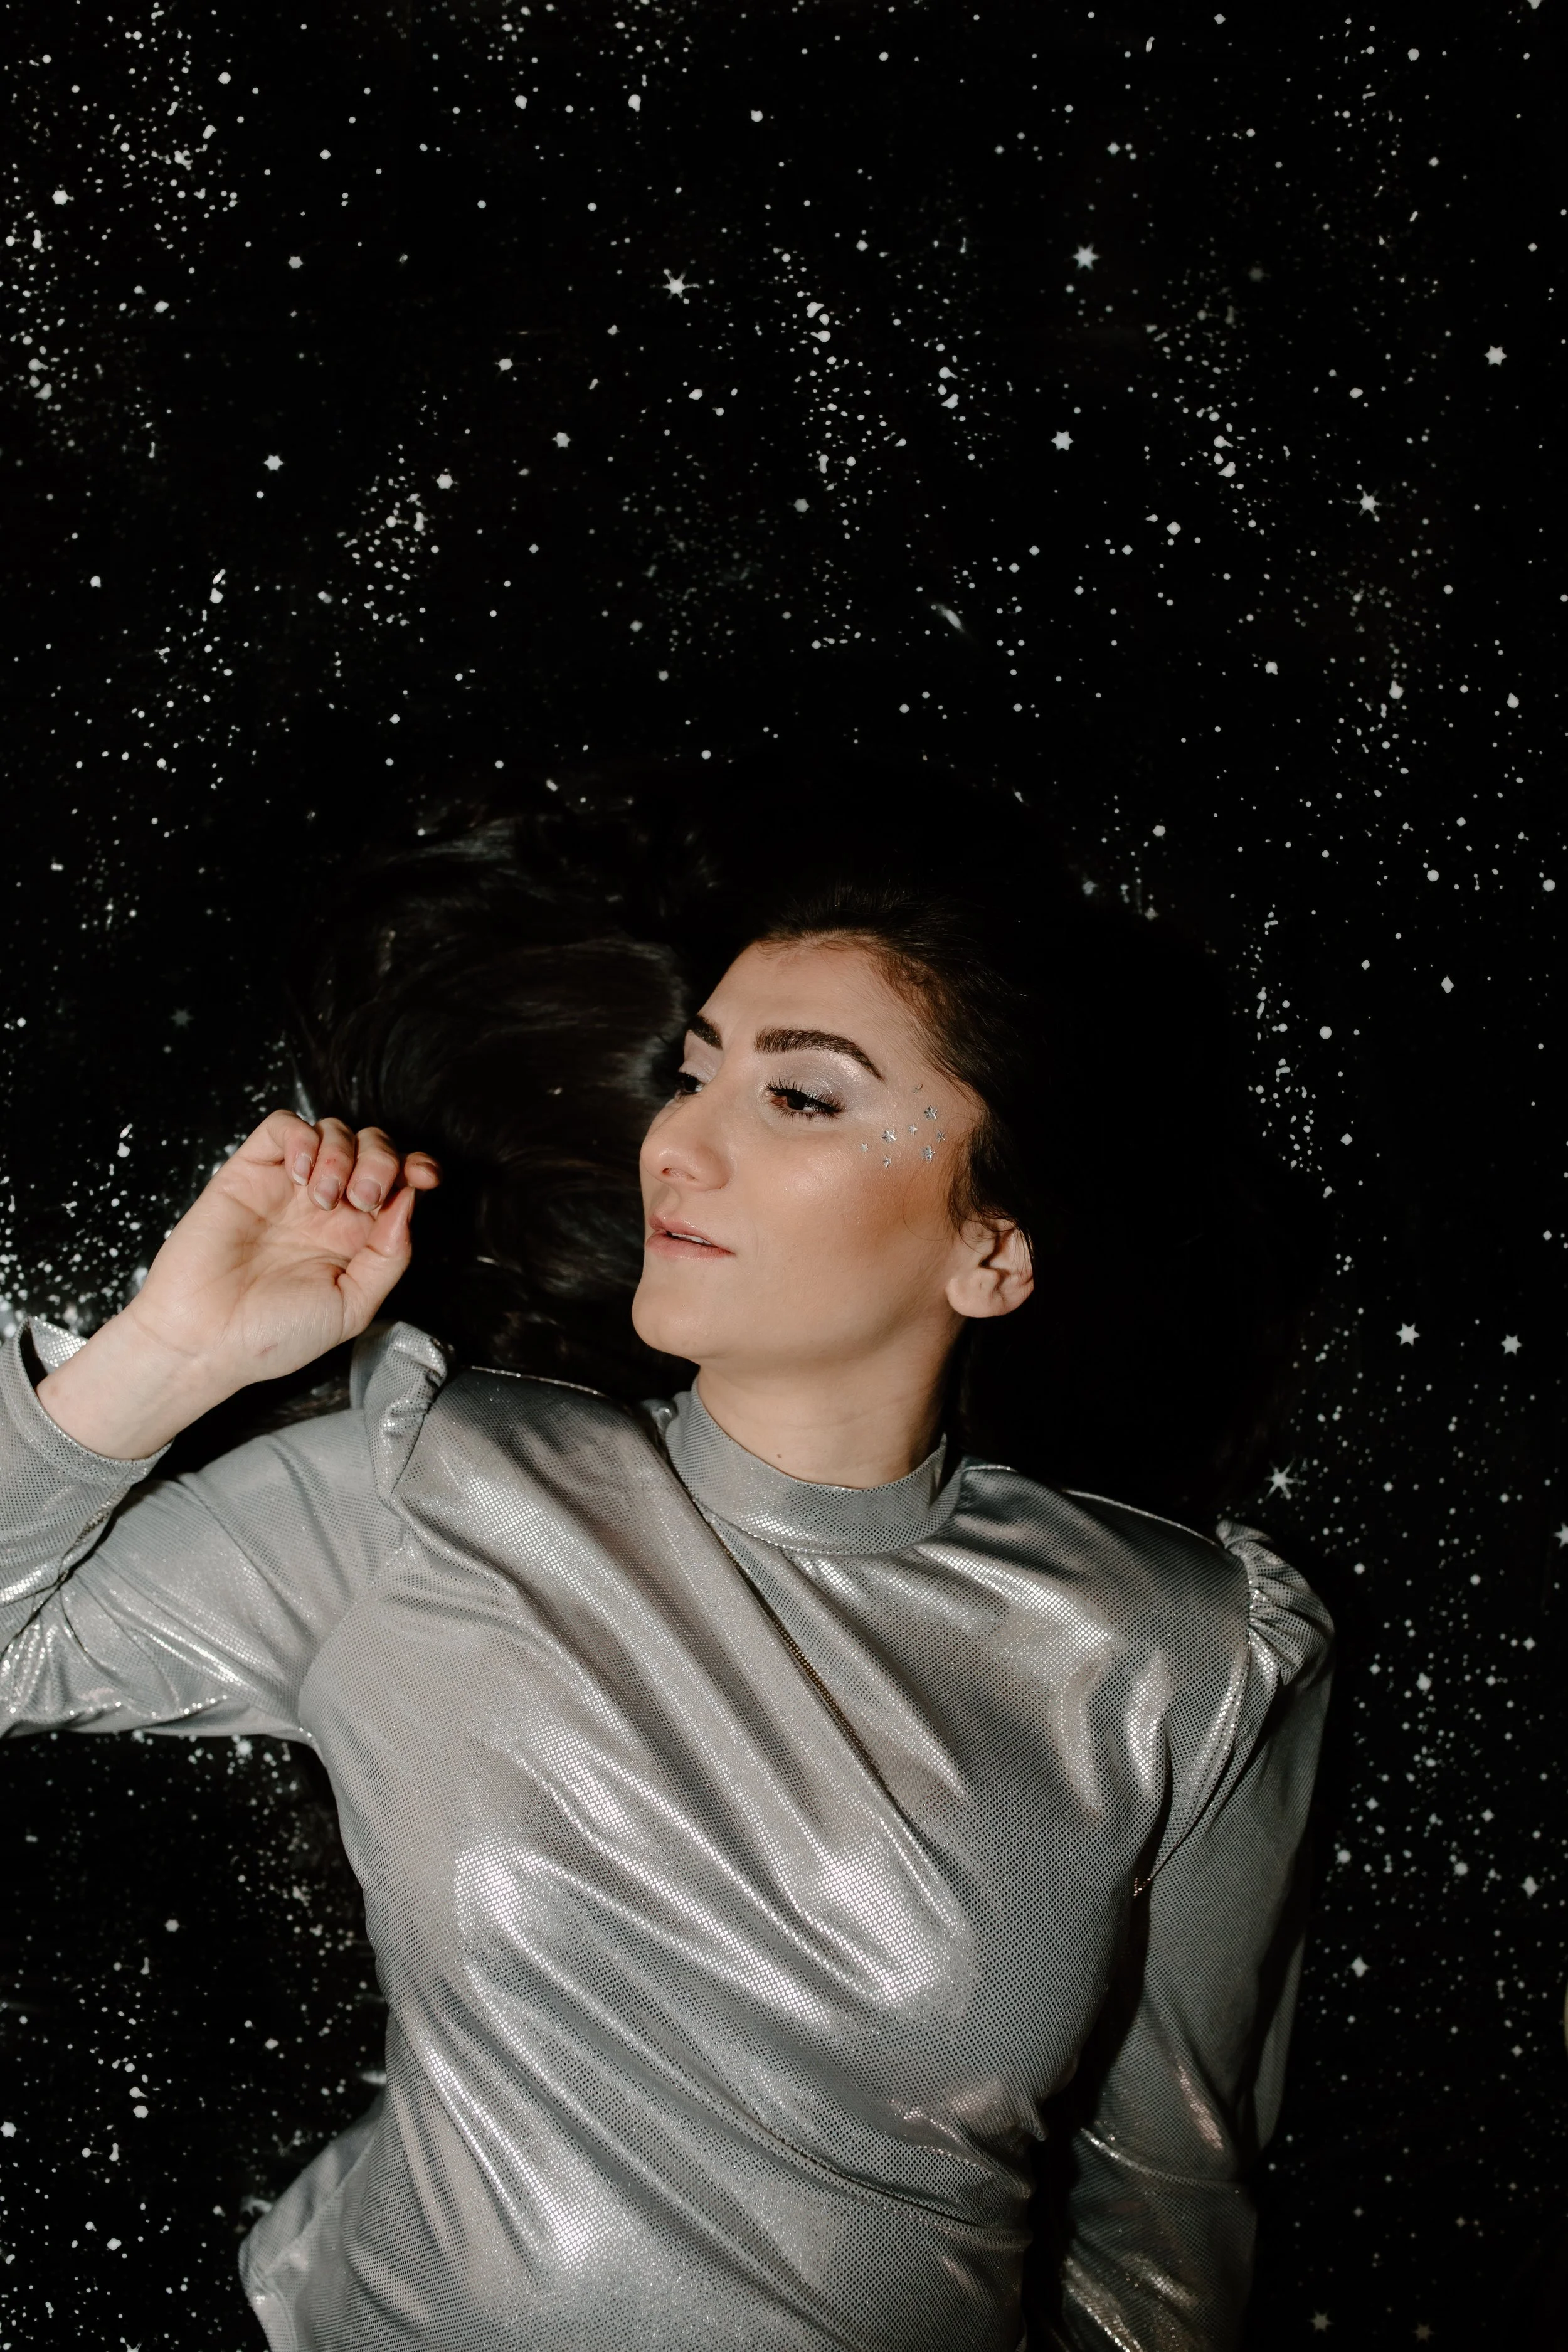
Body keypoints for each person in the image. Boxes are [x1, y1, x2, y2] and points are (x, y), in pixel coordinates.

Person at [0, 823, 1333, 2351]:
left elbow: (1163, 2224)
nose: (678, 1145)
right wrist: (166, 1355)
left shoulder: (1185, 1651)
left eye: (799, 1097)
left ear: (989, 1252)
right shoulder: (426, 1486)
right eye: (693, 1076)